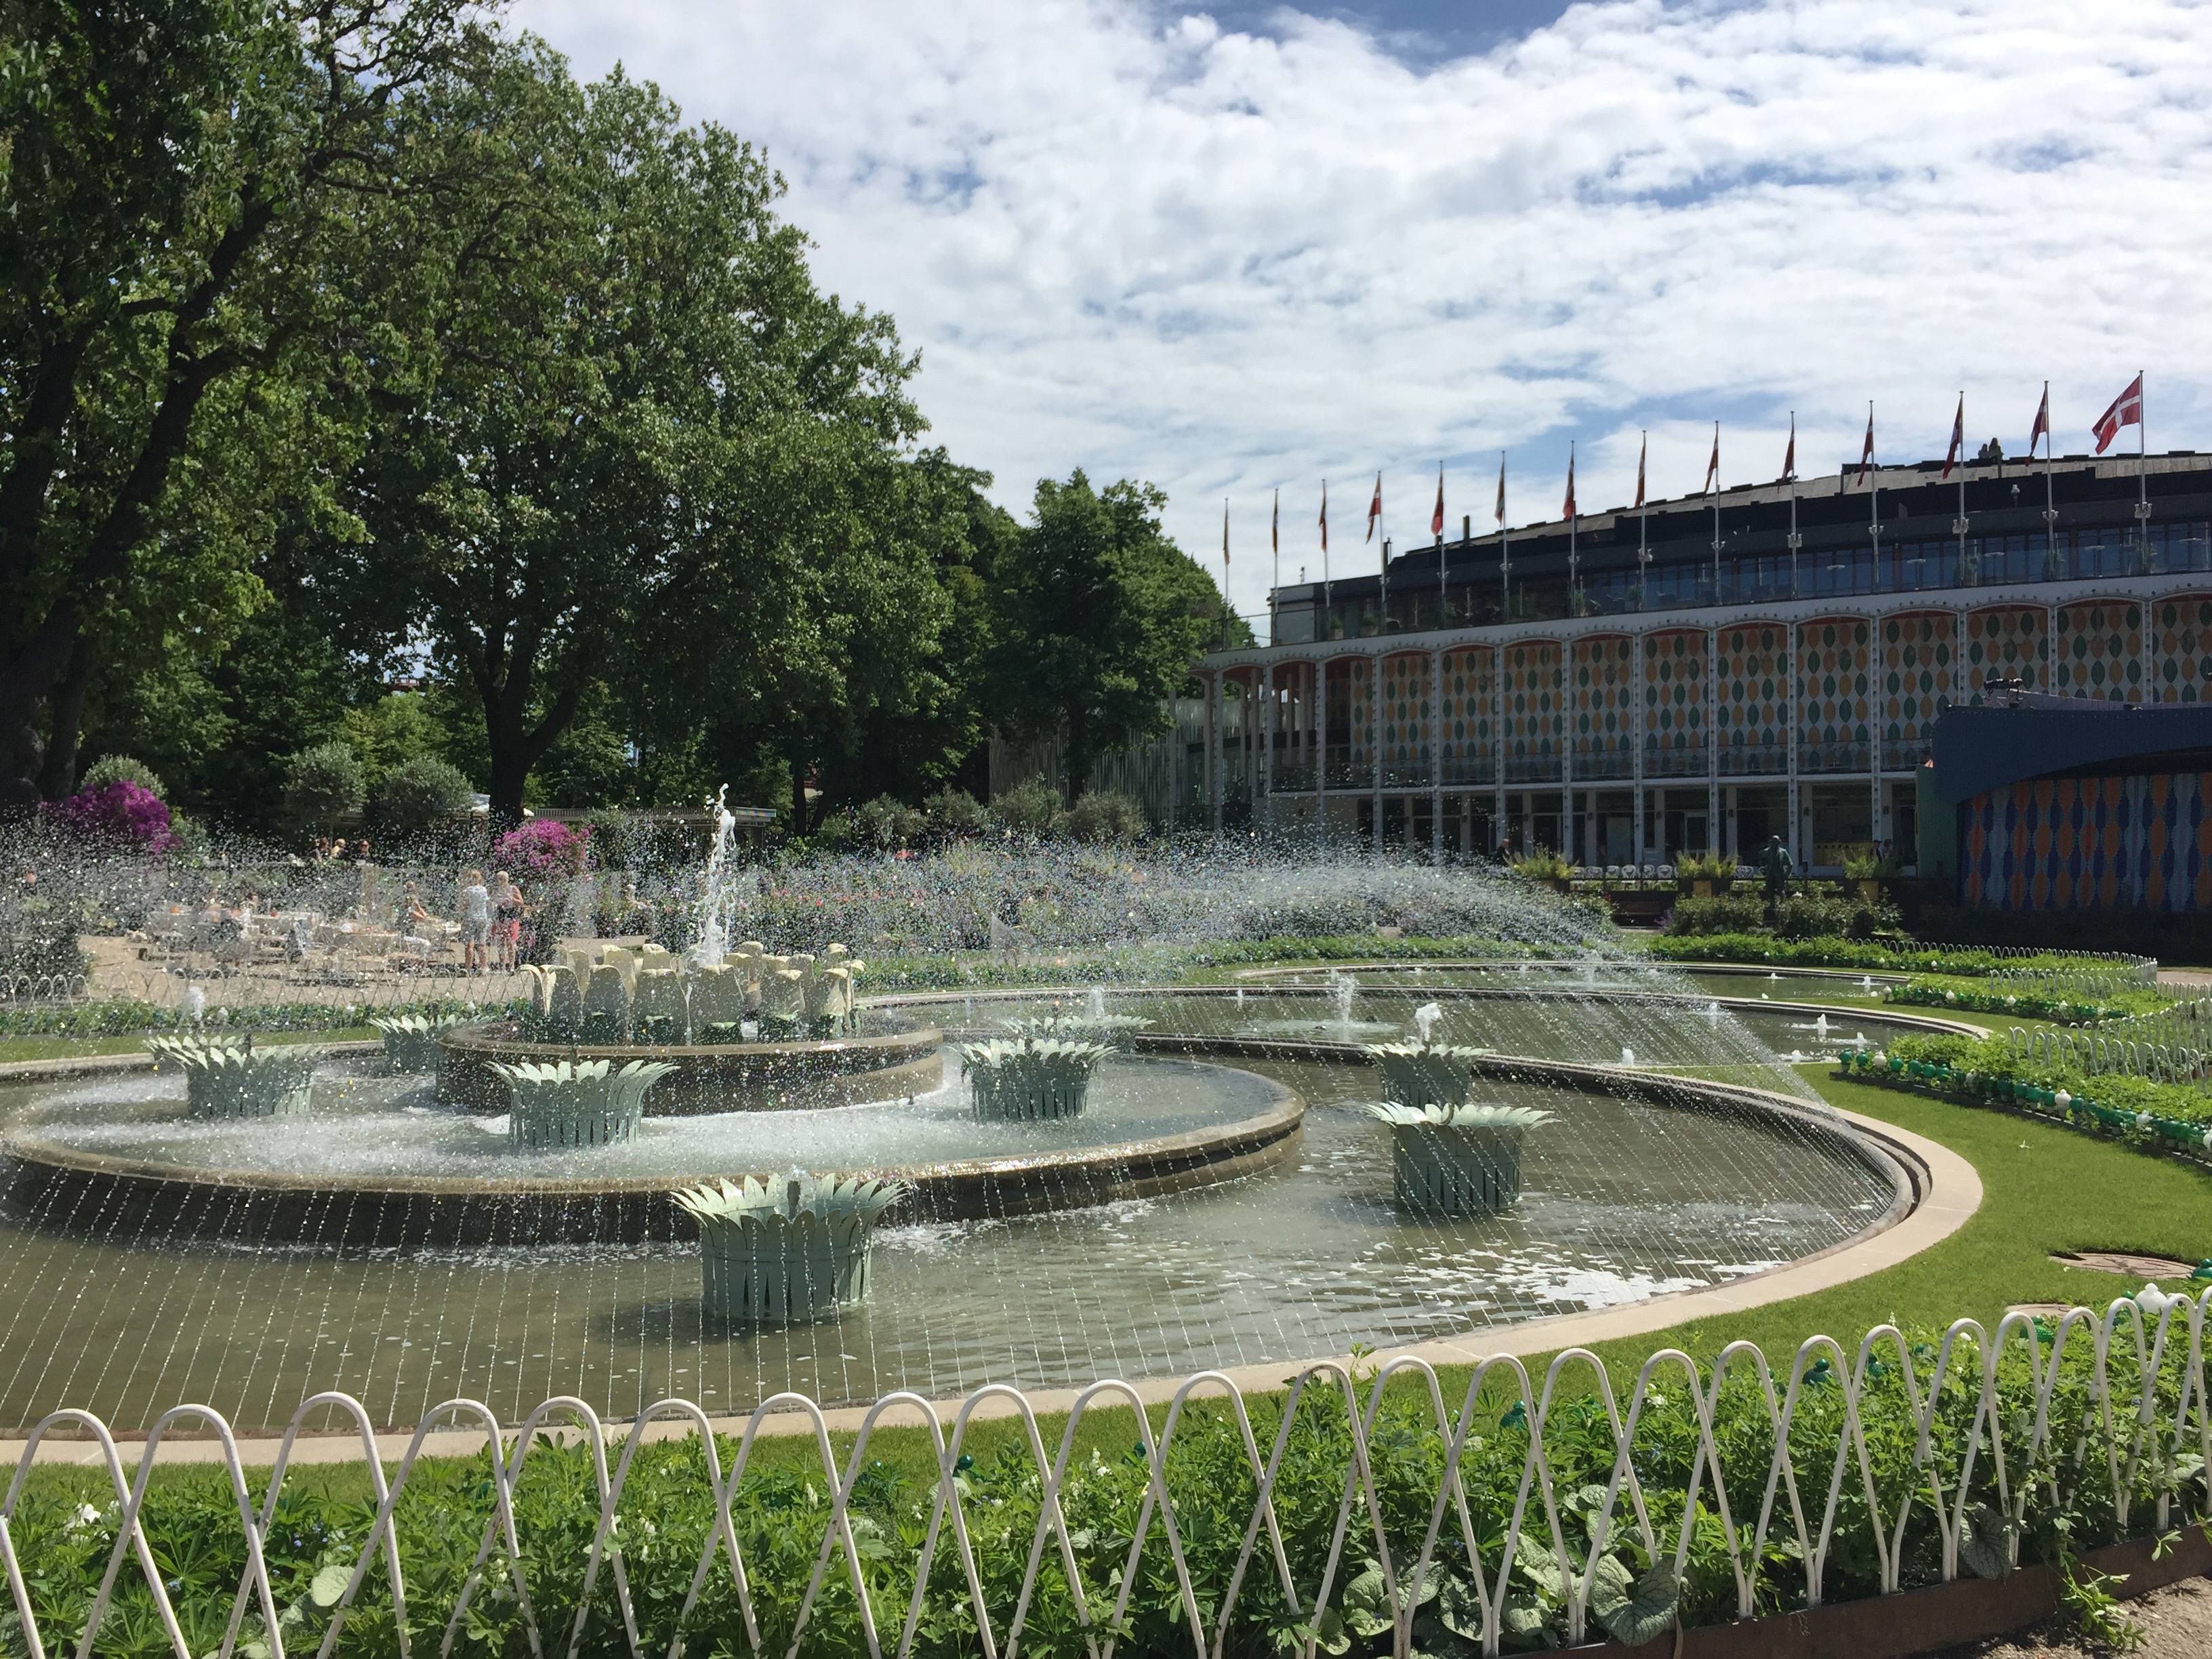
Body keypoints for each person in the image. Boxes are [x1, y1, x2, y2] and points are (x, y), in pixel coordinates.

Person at [459, 867, 491, 976]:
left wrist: (460, 913)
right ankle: (484, 967)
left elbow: (465, 905)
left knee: (470, 944)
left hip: (471, 918)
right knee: (482, 943)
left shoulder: (468, 890)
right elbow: (487, 903)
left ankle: (468, 968)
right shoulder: (484, 890)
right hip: (483, 918)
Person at [491, 869, 522, 971]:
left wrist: (512, 899)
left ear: (507, 879)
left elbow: (521, 902)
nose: (501, 881)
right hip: (500, 917)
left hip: (512, 917)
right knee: (501, 943)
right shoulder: (496, 890)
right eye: (499, 879)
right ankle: (502, 966)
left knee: (511, 943)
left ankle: (511, 966)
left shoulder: (513, 889)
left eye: (503, 879)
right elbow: (490, 900)